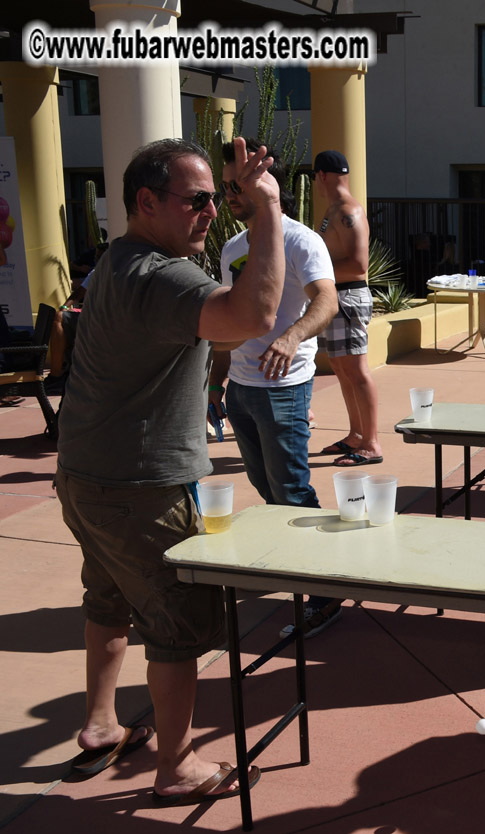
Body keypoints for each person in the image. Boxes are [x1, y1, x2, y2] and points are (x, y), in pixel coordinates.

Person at [55, 137, 281, 803]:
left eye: (218, 197)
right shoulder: (161, 275)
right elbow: (254, 315)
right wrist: (267, 210)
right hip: (140, 488)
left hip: (86, 475)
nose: (212, 210)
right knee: (178, 625)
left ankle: (101, 725)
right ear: (146, 202)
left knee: (108, 598)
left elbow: (223, 328)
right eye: (198, 199)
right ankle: (178, 769)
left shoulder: (116, 262)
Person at [209, 139, 343, 638]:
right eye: (225, 187)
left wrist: (290, 338)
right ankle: (295, 562)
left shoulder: (300, 240)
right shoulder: (233, 247)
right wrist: (215, 382)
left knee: (290, 490)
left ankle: (325, 590)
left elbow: (326, 301)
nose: (229, 196)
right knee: (266, 487)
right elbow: (229, 319)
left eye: (237, 186)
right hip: (241, 387)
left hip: (285, 386)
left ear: (266, 184)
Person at [313, 150, 384, 467]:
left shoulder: (347, 210)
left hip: (349, 297)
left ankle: (371, 443)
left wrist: (315, 272)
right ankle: (357, 435)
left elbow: (358, 265)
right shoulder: (334, 210)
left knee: (356, 371)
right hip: (335, 297)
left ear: (321, 176)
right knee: (342, 369)